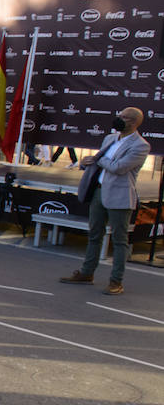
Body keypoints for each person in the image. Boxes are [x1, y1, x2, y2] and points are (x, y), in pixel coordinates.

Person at [60, 107, 151, 295]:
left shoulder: (140, 145)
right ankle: (86, 273)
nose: (118, 119)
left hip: (120, 196)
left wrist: (98, 160)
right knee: (94, 234)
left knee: (119, 240)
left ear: (134, 122)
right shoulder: (110, 139)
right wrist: (88, 161)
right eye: (119, 115)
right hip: (99, 192)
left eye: (123, 118)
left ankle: (116, 281)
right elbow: (101, 162)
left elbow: (119, 168)